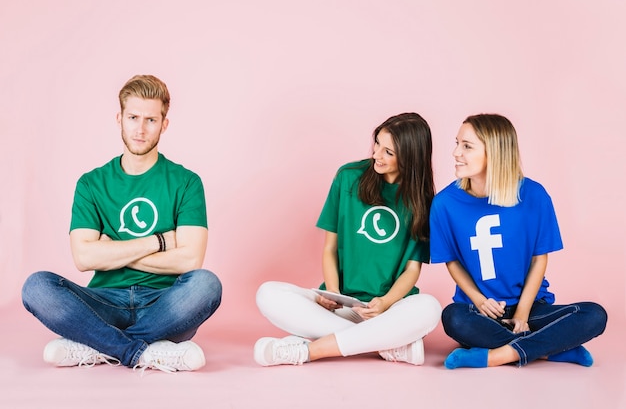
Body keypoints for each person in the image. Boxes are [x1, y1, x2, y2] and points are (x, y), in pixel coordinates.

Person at [22, 75, 222, 372]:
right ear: (120, 119)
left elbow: (191, 259)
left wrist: (112, 250)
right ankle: (143, 351)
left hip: (164, 305)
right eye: (133, 117)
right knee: (36, 287)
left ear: (164, 125)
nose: (140, 129)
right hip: (104, 302)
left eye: (151, 120)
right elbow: (84, 258)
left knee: (206, 285)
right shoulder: (91, 183)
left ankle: (97, 345)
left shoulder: (186, 182)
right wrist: (160, 241)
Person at [254, 112, 442, 367]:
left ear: (410, 158)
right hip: (343, 305)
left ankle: (310, 350)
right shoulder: (348, 177)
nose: (376, 155)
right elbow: (330, 248)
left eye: (389, 152)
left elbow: (412, 269)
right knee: (268, 294)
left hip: (391, 310)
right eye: (377, 143)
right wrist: (332, 292)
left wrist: (385, 303)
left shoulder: (423, 201)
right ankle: (385, 345)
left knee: (429, 307)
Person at [429, 113, 607, 369]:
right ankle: (549, 350)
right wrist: (479, 301)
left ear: (495, 152)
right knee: (453, 318)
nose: (456, 152)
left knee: (594, 315)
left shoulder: (534, 195)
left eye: (467, 146)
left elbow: (539, 259)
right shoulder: (445, 203)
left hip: (532, 306)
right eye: (457, 143)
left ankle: (497, 356)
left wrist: (522, 313)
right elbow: (452, 261)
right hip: (480, 311)